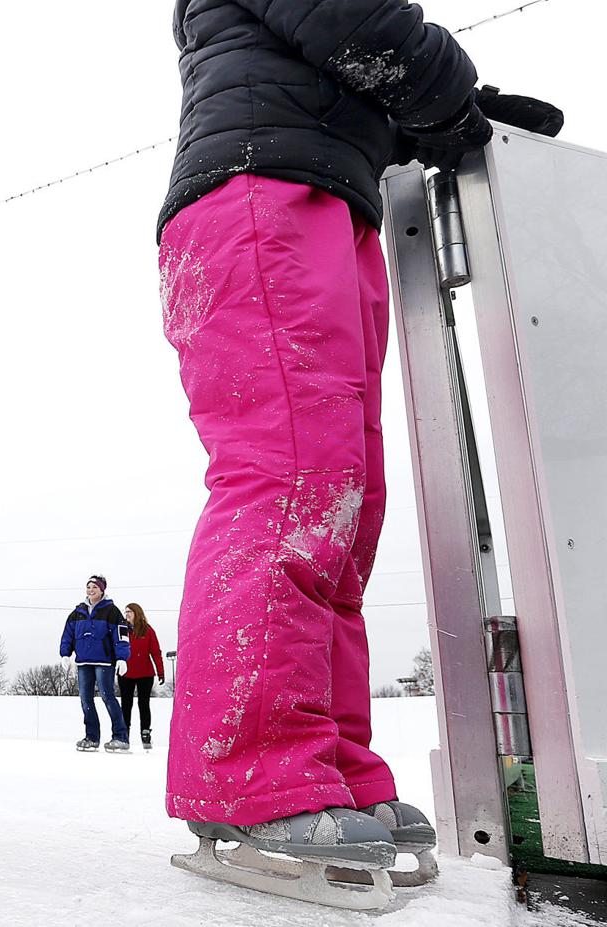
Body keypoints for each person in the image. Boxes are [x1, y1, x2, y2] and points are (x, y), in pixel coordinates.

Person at [157, 0, 493, 906]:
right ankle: (252, 765)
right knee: (290, 477)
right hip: (257, 194)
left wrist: (449, 113)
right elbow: (354, 20)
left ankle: (327, 756)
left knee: (346, 500)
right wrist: (449, 96)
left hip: (326, 197)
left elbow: (342, 59)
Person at [59, 575, 131, 753]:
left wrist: (122, 657)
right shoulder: (78, 612)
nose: (91, 590)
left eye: (95, 587)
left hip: (104, 662)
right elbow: (68, 634)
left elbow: (121, 636)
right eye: (88, 587)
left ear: (102, 590)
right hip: (84, 662)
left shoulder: (112, 611)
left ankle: (120, 737)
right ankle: (91, 737)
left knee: (108, 697)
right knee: (85, 699)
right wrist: (65, 654)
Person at [119, 603, 164, 751]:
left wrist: (161, 671)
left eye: (130, 612)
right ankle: (124, 735)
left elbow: (156, 652)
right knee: (126, 705)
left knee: (143, 704)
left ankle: (145, 733)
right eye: (126, 612)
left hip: (145, 674)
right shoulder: (122, 630)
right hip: (126, 673)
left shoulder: (148, 630)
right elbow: (115, 648)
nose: (127, 614)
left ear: (137, 613)